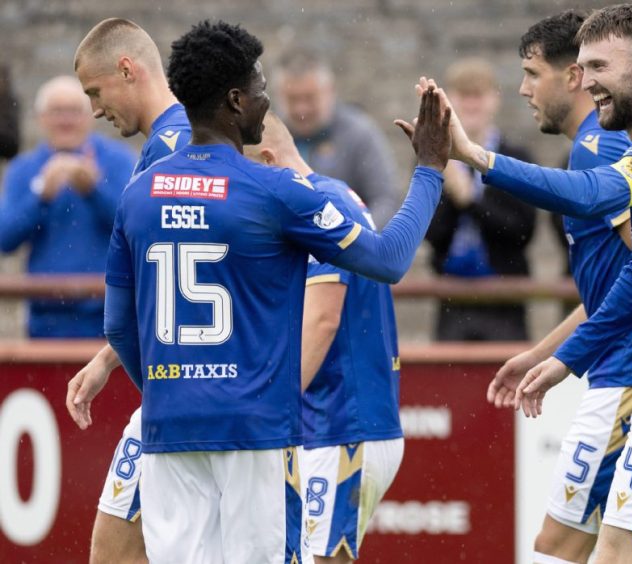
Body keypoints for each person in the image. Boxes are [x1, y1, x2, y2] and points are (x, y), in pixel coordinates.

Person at [428, 3, 632, 562]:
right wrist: (562, 359)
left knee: (600, 553)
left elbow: (590, 195)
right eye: (582, 66)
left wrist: (475, 156)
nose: (588, 81)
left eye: (600, 67)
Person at [102, 20, 448, 563]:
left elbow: (119, 325)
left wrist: (169, 390)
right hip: (255, 433)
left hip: (170, 430)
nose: (269, 100)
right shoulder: (275, 191)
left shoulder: (138, 192)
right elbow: (388, 259)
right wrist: (428, 169)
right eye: (261, 88)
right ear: (236, 102)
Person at [486, 11, 632, 564]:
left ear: (572, 77)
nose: (523, 89)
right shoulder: (598, 145)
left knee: (559, 546)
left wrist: (568, 360)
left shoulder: (601, 148)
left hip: (629, 376)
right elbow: (617, 280)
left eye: (532, 73)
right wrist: (540, 351)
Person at [244, 113, 404, 564]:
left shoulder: (319, 206)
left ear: (269, 159)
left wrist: (264, 412)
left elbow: (322, 321)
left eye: (246, 174)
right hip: (330, 424)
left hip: (344, 426)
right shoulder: (327, 198)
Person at [67, 17, 193, 564]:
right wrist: (107, 360)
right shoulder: (182, 140)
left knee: (115, 550)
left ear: (127, 69)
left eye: (95, 92)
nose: (94, 109)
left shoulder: (170, 154)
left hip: (185, 394)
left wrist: (136, 363)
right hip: (202, 390)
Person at [0, 75, 136, 337]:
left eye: (74, 111)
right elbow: (5, 239)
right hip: (46, 317)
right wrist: (41, 195)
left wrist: (94, 190)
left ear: (90, 116)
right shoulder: (24, 169)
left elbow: (136, 228)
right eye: (57, 111)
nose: (66, 120)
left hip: (109, 315)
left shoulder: (118, 161)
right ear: (41, 119)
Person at [424, 58, 537, 341]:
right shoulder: (433, 159)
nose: (471, 105)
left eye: (478, 95)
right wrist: (452, 194)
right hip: (451, 297)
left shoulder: (516, 157)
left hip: (504, 298)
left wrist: (470, 199)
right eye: (463, 96)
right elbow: (431, 234)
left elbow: (521, 231)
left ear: (493, 100)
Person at [276, 50, 401, 226]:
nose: (301, 110)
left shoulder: (359, 133)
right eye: (292, 99)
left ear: (329, 91)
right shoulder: (267, 137)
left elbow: (386, 199)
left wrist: (360, 239)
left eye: (309, 98)